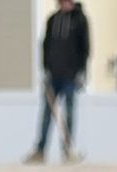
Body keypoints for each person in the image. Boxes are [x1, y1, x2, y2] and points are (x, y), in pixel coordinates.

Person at [25, 0, 90, 163]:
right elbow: (46, 45)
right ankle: (40, 151)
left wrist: (81, 72)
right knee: (47, 114)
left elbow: (85, 48)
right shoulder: (52, 20)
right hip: (53, 75)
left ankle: (68, 150)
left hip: (70, 76)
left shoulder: (80, 21)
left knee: (68, 113)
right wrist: (45, 69)